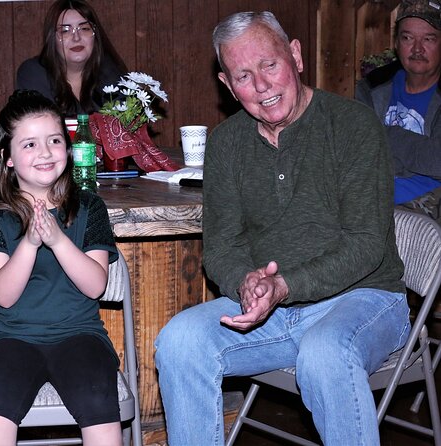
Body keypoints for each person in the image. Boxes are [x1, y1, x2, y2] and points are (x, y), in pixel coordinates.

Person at [154, 11, 410, 446]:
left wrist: (285, 286)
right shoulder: (227, 143)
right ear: (228, 85)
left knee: (326, 351)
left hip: (365, 299)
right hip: (274, 312)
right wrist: (247, 282)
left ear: (295, 55)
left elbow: (367, 245)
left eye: (270, 65)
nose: (261, 86)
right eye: (243, 76)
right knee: (179, 341)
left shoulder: (352, 126)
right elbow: (222, 247)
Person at [0, 89, 121, 445]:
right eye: (29, 145)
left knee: (99, 402)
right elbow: (3, 296)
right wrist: (30, 243)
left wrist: (57, 240)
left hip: (81, 335)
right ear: (7, 157)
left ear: (68, 150)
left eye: (54, 140)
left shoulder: (89, 207)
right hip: (11, 339)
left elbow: (95, 285)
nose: (45, 152)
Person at [356, 0, 441, 222]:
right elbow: (356, 149)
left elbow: (437, 160)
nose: (417, 49)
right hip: (367, 197)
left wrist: (384, 134)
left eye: (429, 39)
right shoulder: (371, 87)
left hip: (425, 208)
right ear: (396, 43)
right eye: (407, 38)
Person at [16, 0, 127, 116]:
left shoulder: (110, 74)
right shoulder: (34, 73)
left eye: (84, 29)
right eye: (65, 31)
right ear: (52, 39)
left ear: (95, 36)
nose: (76, 38)